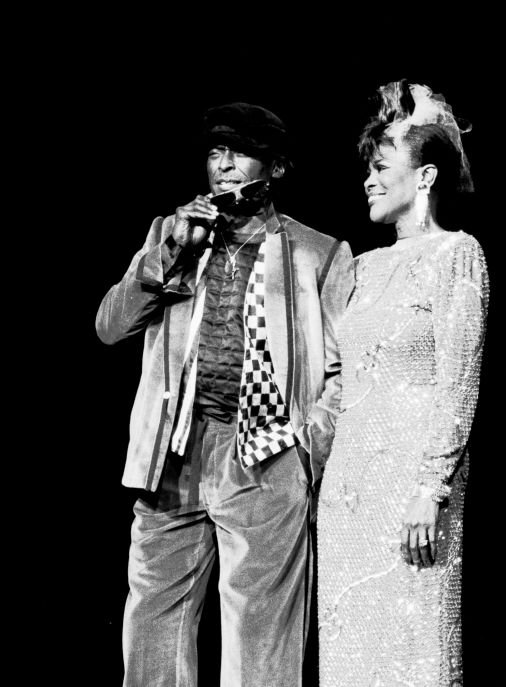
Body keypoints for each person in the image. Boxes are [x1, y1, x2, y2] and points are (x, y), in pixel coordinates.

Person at [96, 102, 354, 687]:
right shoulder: (173, 234)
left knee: (262, 645)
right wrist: (170, 254)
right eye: (215, 153)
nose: (224, 166)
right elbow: (110, 326)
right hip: (175, 455)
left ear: (277, 167)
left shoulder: (319, 252)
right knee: (152, 632)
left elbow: (344, 374)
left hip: (263, 457)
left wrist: (304, 447)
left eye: (238, 153)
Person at [316, 80, 489, 686]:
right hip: (347, 497)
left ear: (425, 177)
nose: (368, 179)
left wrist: (431, 488)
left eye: (382, 166)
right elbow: (335, 380)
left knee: (413, 652)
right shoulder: (359, 268)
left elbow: (458, 380)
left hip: (413, 494)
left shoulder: (457, 255)